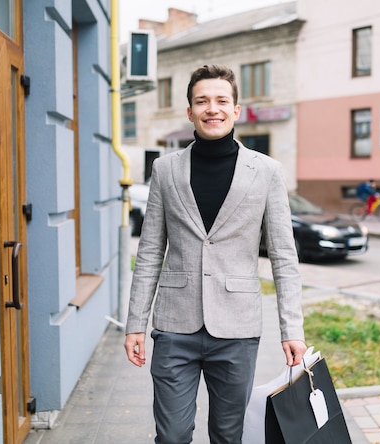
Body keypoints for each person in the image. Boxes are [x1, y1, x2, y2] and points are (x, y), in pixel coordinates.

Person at [123, 64, 307, 444]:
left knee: (227, 435)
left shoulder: (267, 171)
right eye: (202, 101)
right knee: (171, 436)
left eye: (222, 100)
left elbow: (284, 257)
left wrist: (293, 330)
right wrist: (135, 324)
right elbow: (150, 252)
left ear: (236, 109)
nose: (213, 108)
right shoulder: (165, 169)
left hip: (237, 330)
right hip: (175, 326)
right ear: (189, 111)